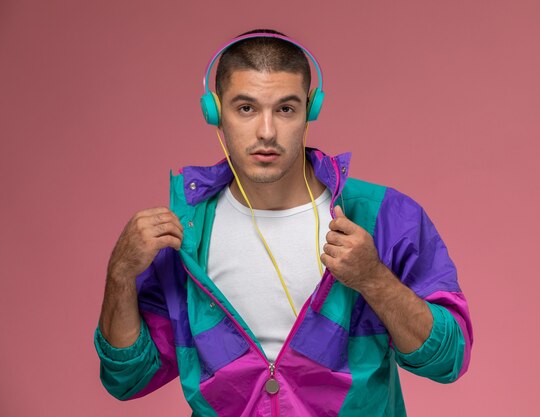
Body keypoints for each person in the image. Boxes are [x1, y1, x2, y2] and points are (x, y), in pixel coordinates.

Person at [95, 29, 473, 416]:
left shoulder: (384, 216)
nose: (266, 131)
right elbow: (129, 377)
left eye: (285, 109)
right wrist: (120, 274)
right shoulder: (187, 234)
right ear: (214, 112)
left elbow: (448, 359)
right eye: (246, 108)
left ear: (310, 109)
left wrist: (373, 278)